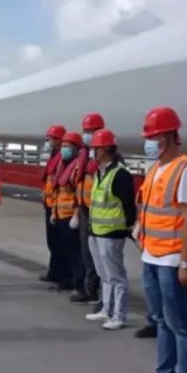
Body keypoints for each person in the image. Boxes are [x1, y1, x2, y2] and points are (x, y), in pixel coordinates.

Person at [128, 106, 187, 373]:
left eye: (154, 136)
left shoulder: (186, 170)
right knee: (161, 320)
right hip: (152, 255)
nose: (149, 142)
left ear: (170, 136)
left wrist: (186, 263)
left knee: (179, 324)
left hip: (173, 259)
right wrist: (140, 228)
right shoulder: (156, 169)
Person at [84, 129, 137, 330]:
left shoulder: (120, 174)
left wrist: (128, 226)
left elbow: (128, 205)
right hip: (96, 231)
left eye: (95, 148)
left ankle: (119, 315)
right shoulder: (100, 172)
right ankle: (106, 309)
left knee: (116, 275)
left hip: (111, 233)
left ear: (104, 149)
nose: (92, 152)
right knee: (104, 274)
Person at [70, 112, 105, 306]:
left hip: (99, 214)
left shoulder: (106, 158)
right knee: (87, 254)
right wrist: (77, 210)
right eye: (85, 131)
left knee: (100, 257)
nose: (87, 135)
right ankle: (90, 289)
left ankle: (99, 293)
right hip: (85, 211)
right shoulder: (85, 156)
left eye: (91, 131)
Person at [50, 131, 84, 294]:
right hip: (60, 215)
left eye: (67, 146)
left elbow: (78, 193)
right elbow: (57, 190)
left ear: (76, 149)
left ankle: (77, 283)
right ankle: (65, 280)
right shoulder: (62, 165)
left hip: (70, 215)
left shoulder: (77, 167)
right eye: (63, 145)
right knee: (63, 250)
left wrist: (76, 215)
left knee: (74, 252)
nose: (64, 149)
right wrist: (53, 212)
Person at [40, 124, 68, 287]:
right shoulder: (53, 157)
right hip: (50, 204)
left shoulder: (61, 159)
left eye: (50, 139)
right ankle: (55, 271)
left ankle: (61, 274)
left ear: (58, 140)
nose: (47, 142)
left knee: (59, 242)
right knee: (52, 241)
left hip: (56, 206)